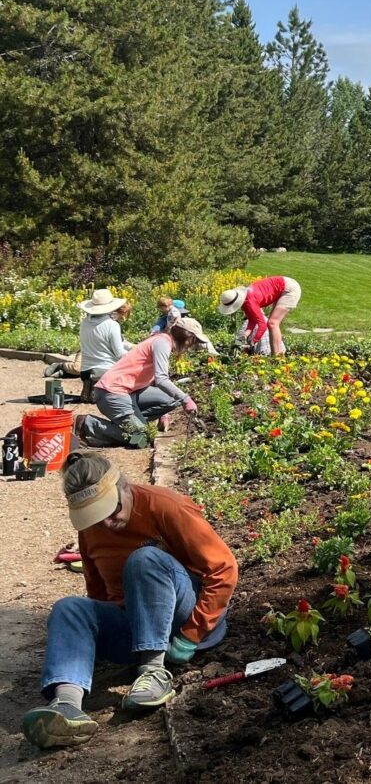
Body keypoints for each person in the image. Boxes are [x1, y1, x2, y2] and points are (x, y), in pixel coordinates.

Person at [21, 452, 238, 749]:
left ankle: (153, 671)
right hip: (136, 625)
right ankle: (66, 705)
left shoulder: (165, 506)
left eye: (112, 510)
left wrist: (192, 634)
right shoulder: (91, 531)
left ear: (124, 486)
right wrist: (85, 642)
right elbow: (97, 594)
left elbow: (223, 569)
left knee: (144, 559)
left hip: (188, 618)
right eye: (97, 518)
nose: (107, 523)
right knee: (69, 608)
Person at [78, 318, 210, 448]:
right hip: (112, 393)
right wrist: (186, 399)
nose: (192, 346)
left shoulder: (162, 341)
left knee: (171, 399)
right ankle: (87, 423)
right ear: (187, 338)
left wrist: (165, 413)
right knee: (142, 437)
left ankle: (131, 421)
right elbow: (161, 379)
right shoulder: (162, 343)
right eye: (193, 341)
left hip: (128, 392)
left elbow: (153, 380)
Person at [217, 276, 301, 356]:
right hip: (284, 285)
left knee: (272, 323)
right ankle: (279, 354)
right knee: (273, 324)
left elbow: (261, 326)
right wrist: (246, 335)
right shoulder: (248, 302)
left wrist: (251, 342)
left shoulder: (250, 305)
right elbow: (252, 322)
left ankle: (275, 358)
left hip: (289, 288)